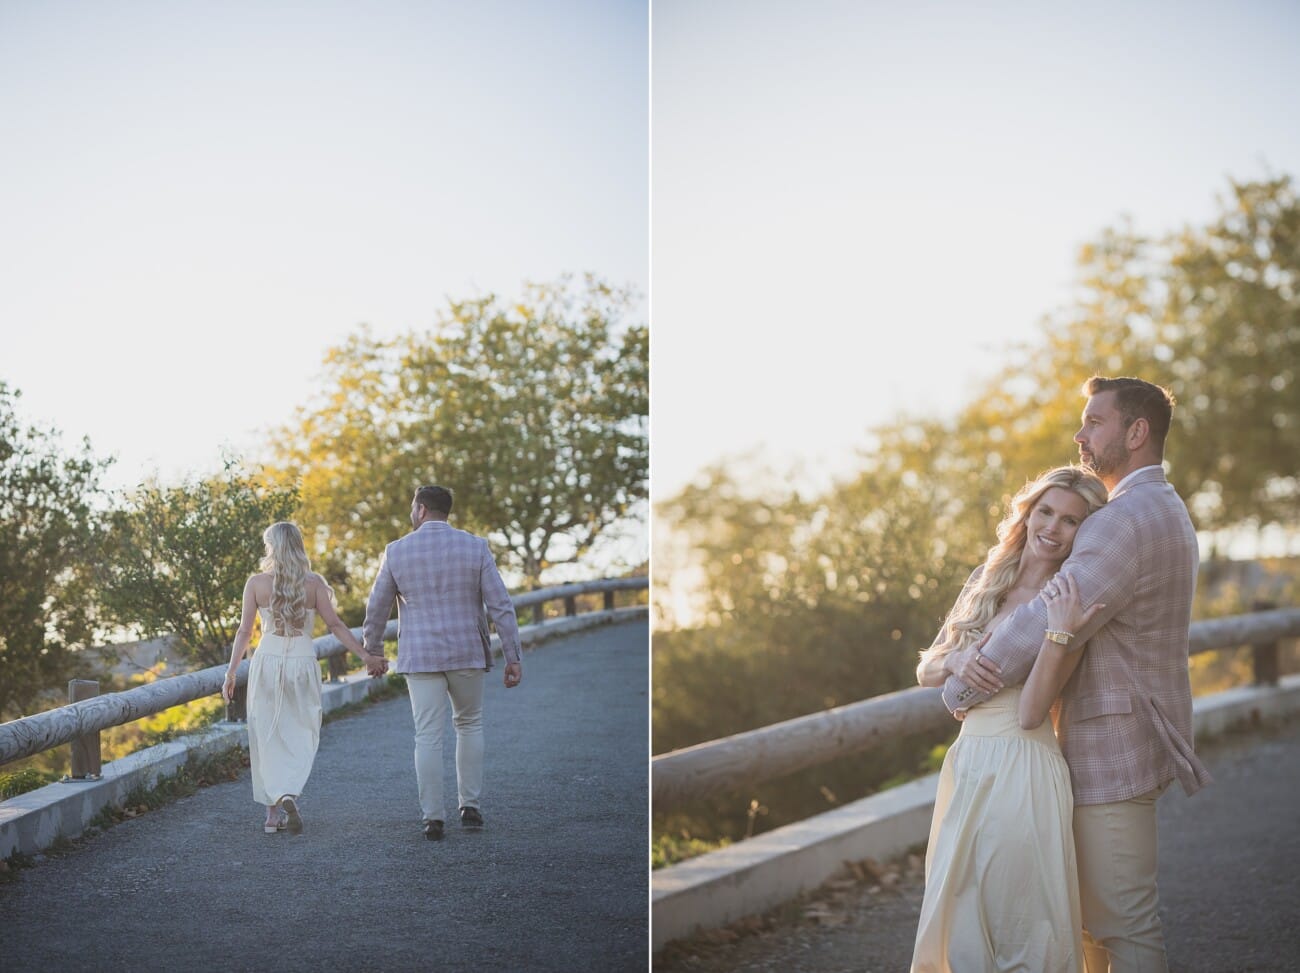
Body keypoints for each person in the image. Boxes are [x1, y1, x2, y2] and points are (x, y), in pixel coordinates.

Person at [941, 376, 1212, 973]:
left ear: (1135, 432)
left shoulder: (1123, 520)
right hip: (1117, 741)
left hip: (1111, 749)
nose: (1079, 434)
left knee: (1123, 926)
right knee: (1093, 926)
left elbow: (1042, 617)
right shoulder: (1162, 508)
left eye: (1094, 422)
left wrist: (962, 679)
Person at [911, 465, 1109, 972]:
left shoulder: (1066, 600)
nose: (1053, 528)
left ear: (1084, 532)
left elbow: (1030, 713)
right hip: (968, 761)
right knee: (959, 908)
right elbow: (926, 669)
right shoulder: (987, 579)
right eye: (1046, 512)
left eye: (1070, 521)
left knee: (1019, 917)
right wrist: (954, 660)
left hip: (1022, 764)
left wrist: (1060, 635)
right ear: (1028, 513)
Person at [362, 485, 524, 841]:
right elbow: (500, 604)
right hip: (466, 650)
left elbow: (376, 608)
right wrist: (513, 655)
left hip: (420, 656)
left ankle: (432, 817)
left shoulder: (396, 551)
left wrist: (372, 651)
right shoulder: (475, 546)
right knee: (469, 724)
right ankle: (470, 806)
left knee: (428, 735)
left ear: (420, 509)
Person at [222, 522, 385, 834]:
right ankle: (289, 791)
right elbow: (335, 626)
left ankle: (272, 816)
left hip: (267, 659)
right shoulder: (314, 584)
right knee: (301, 729)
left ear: (272, 547)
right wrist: (365, 655)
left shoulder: (256, 583)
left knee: (266, 732)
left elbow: (244, 631)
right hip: (301, 658)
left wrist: (231, 673)